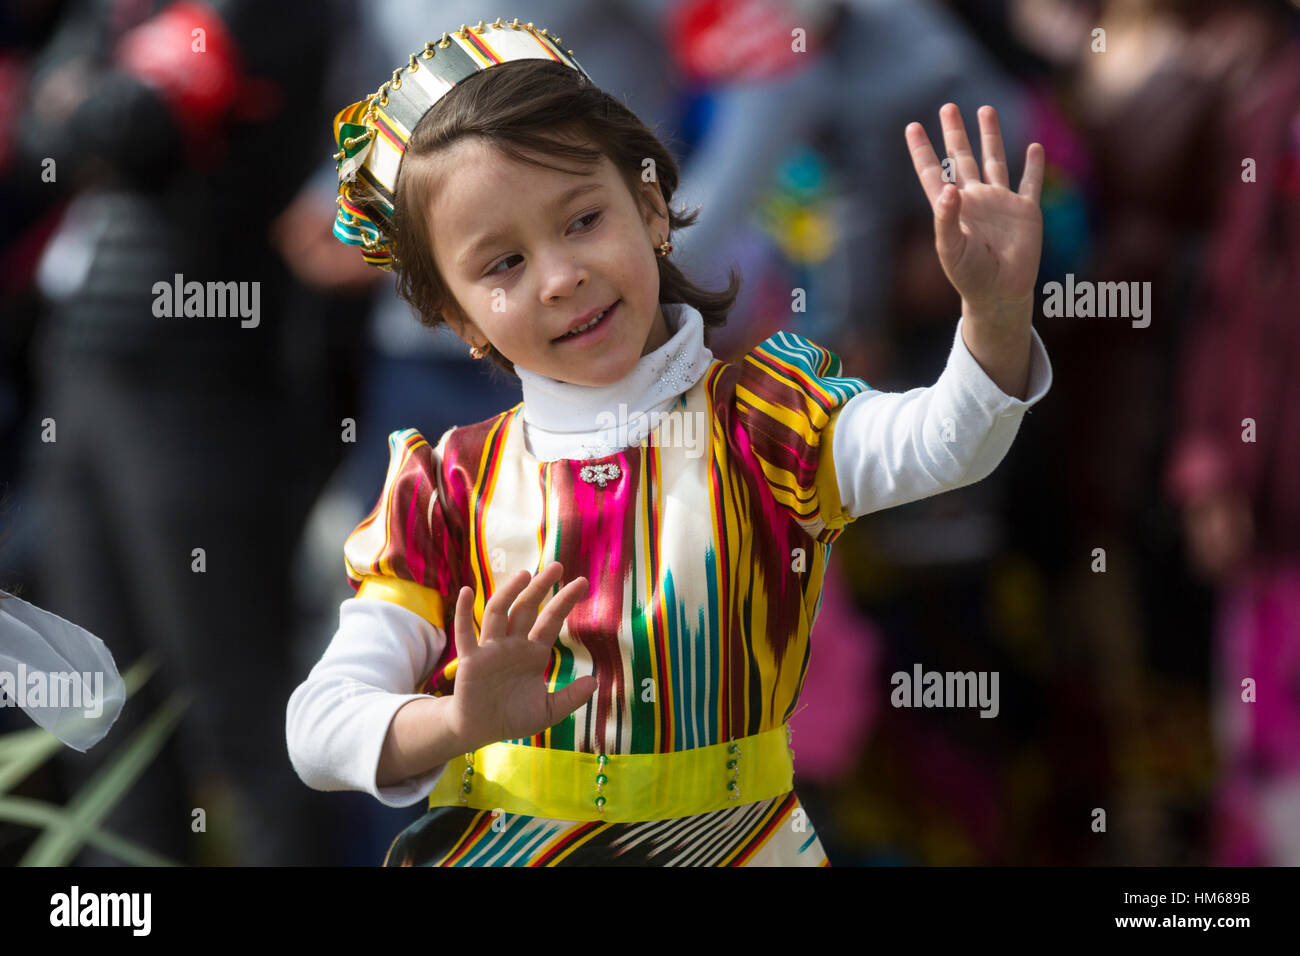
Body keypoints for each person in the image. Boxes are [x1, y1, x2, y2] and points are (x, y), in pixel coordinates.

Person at [286, 18, 1053, 866]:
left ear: (651, 206)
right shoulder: (447, 489)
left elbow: (947, 443)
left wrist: (995, 314)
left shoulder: (769, 422)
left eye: (582, 219)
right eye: (501, 264)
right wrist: (458, 723)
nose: (559, 275)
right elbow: (317, 730)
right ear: (459, 317)